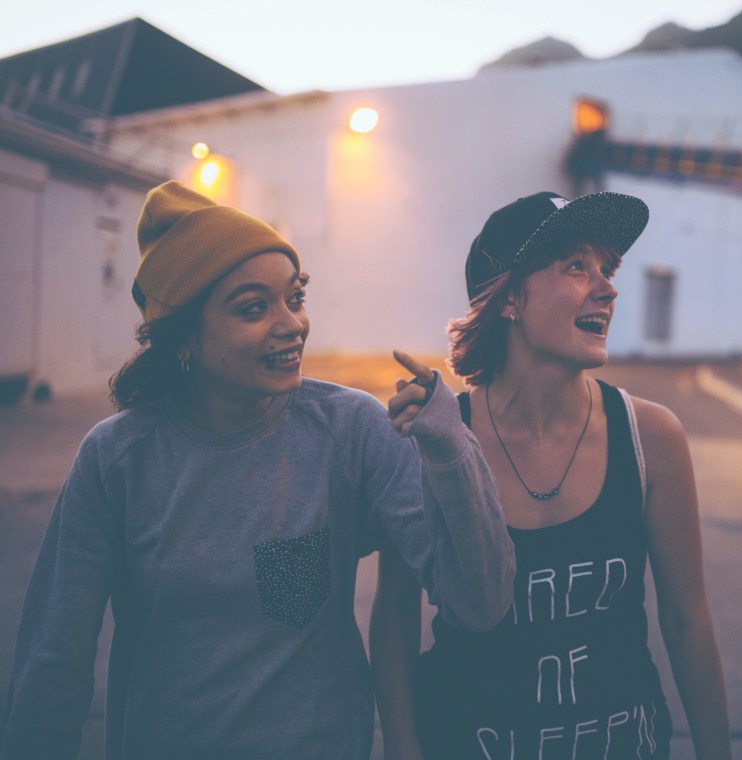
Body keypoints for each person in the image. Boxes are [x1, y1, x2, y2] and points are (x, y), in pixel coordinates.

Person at [0, 181, 515, 760]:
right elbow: (54, 665)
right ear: (183, 339)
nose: (292, 324)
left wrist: (452, 453)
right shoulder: (118, 460)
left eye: (295, 297)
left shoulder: (350, 431)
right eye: (253, 308)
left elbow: (482, 600)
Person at [374, 191, 731, 759]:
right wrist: (402, 745)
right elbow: (394, 611)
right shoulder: (438, 436)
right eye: (575, 266)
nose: (608, 287)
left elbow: (687, 620)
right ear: (510, 297)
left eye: (607, 268)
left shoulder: (652, 440)